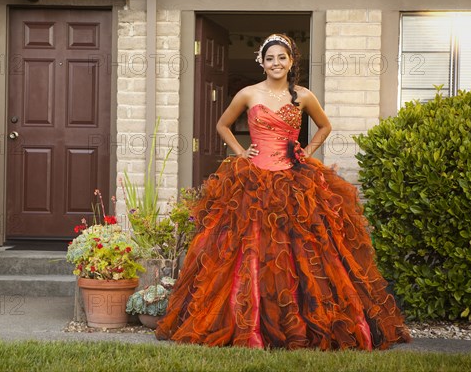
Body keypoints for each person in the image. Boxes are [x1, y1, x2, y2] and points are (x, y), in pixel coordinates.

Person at [155, 33, 411, 350]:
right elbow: (222, 125)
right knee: (248, 250)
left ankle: (302, 323)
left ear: (291, 62)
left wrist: (307, 151)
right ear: (262, 62)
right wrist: (239, 151)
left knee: (305, 251)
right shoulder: (248, 94)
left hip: (294, 179)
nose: (276, 63)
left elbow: (325, 126)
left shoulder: (302, 96)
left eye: (282, 58)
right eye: (270, 58)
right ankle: (248, 325)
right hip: (253, 180)